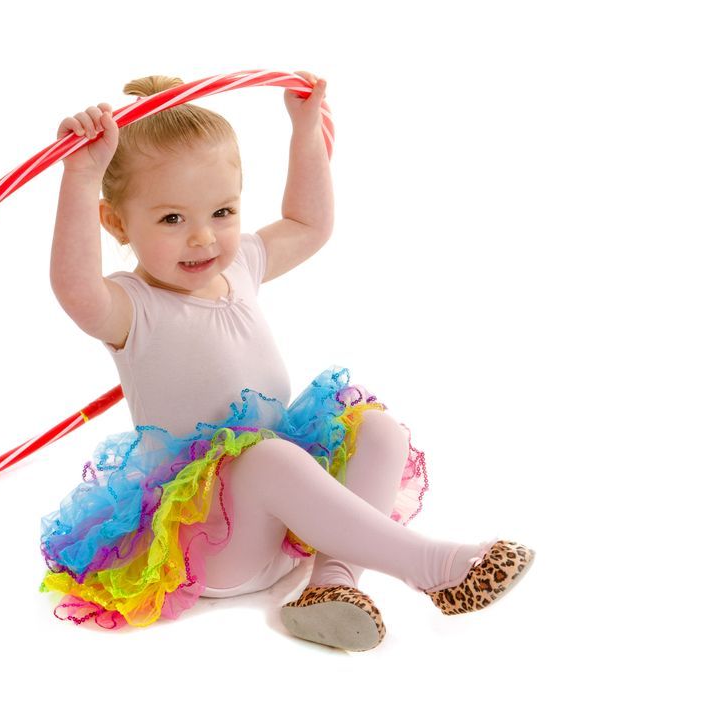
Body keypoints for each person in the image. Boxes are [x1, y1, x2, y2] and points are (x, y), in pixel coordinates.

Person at [39, 72, 535, 650]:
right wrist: (79, 176)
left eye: (222, 211)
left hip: (290, 526)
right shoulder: (132, 307)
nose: (203, 238)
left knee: (377, 429)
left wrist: (305, 130)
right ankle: (430, 566)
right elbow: (74, 287)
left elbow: (308, 224)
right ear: (117, 223)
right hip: (215, 545)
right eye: (172, 219)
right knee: (268, 457)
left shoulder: (241, 264)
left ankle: (332, 582)